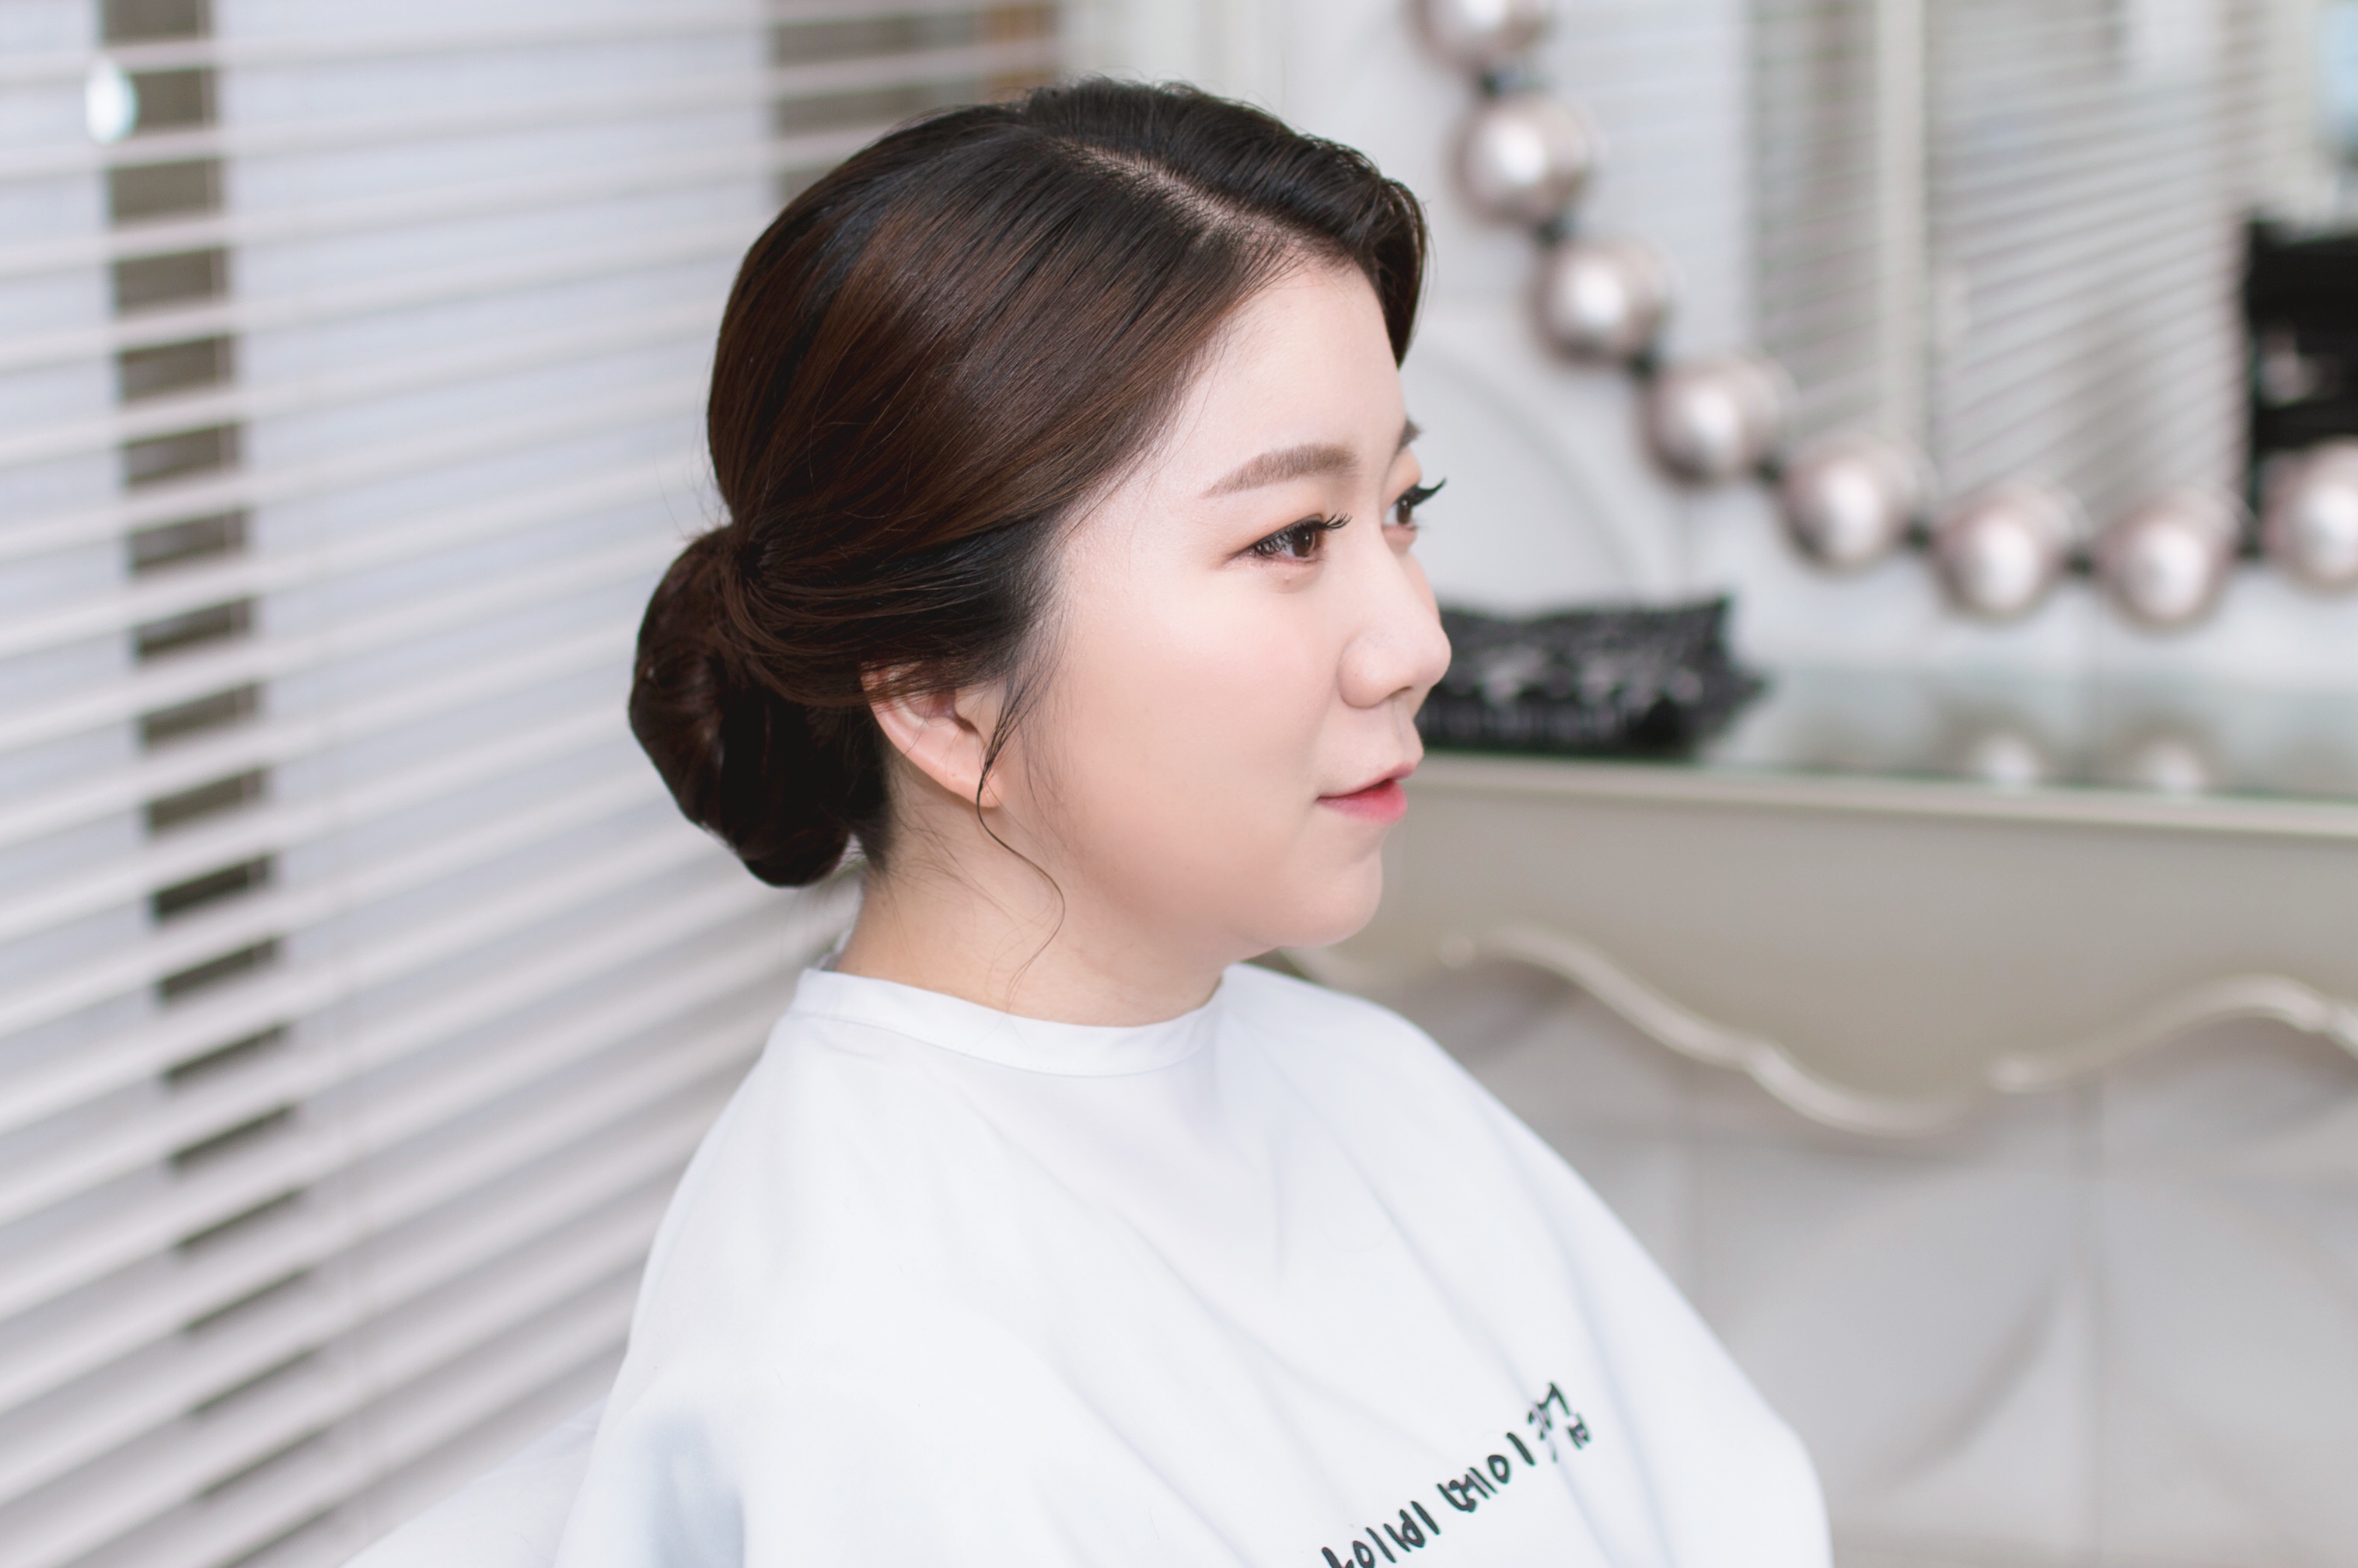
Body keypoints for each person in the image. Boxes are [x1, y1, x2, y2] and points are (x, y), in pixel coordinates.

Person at [557, 82, 1825, 1564]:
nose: (1416, 641)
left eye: (1401, 506)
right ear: (939, 692)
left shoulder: (1367, 1083)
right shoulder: (871, 1379)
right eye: (1288, 536)